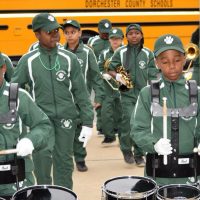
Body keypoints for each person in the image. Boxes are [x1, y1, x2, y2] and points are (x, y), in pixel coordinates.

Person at [11, 13, 94, 189]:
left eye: (56, 30)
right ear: (37, 34)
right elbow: (13, 91)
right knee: (42, 163)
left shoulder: (69, 59)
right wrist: (12, 121)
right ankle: (44, 194)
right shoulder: (28, 61)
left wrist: (87, 121)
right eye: (49, 31)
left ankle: (64, 195)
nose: (55, 34)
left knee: (64, 163)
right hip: (41, 123)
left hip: (66, 119)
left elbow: (81, 92)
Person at [131, 34, 200, 186]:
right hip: (157, 175)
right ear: (156, 63)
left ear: (184, 59)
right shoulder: (147, 93)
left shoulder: (197, 93)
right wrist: (153, 144)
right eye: (165, 61)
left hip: (191, 176)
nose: (172, 66)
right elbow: (137, 130)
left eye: (176, 60)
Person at [0, 53, 51, 199]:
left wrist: (30, 140)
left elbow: (43, 125)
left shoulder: (18, 96)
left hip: (16, 181)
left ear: (3, 68)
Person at [108, 24, 158, 166]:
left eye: (137, 33)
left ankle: (139, 154)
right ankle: (126, 150)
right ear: (126, 36)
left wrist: (154, 89)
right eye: (131, 33)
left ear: (142, 35)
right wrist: (117, 76)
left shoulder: (148, 53)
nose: (134, 36)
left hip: (143, 94)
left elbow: (153, 73)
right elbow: (111, 68)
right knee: (129, 123)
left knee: (142, 124)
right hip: (126, 93)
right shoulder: (120, 52)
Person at [62, 19, 104, 172]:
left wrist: (98, 97)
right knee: (65, 129)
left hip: (82, 99)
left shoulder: (87, 52)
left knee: (80, 128)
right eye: (66, 33)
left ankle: (80, 158)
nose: (70, 36)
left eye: (73, 32)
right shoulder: (60, 51)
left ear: (79, 33)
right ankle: (65, 159)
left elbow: (95, 76)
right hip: (64, 99)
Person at [98, 28, 124, 145]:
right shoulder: (104, 53)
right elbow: (98, 67)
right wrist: (103, 74)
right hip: (108, 87)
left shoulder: (126, 52)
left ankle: (123, 136)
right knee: (105, 112)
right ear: (109, 40)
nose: (115, 41)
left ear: (122, 39)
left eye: (117, 39)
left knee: (122, 113)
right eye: (113, 39)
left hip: (123, 87)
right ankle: (109, 136)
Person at [87, 19, 112, 136]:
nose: (106, 35)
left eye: (108, 32)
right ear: (98, 30)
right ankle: (101, 127)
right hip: (97, 75)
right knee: (100, 100)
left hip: (112, 75)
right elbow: (89, 55)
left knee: (113, 101)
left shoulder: (114, 39)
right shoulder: (92, 41)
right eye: (103, 32)